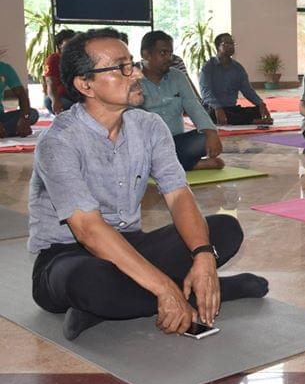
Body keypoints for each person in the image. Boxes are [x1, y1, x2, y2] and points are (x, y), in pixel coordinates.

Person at [28, 28, 268, 340]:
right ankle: (216, 290)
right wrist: (165, 289)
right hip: (67, 257)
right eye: (122, 68)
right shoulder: (58, 141)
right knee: (90, 281)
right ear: (85, 84)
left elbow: (178, 195)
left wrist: (204, 255)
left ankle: (107, 308)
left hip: (131, 245)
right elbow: (88, 231)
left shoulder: (149, 126)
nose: (137, 74)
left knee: (225, 229)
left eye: (133, 64)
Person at [139, 30, 224, 171]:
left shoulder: (177, 76)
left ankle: (161, 166)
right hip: (147, 144)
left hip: (176, 141)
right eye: (163, 53)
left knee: (204, 139)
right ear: (146, 55)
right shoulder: (132, 79)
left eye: (170, 53)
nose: (169, 58)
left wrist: (211, 133)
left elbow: (193, 106)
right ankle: (191, 164)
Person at [199, 33, 273, 126]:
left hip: (231, 109)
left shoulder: (238, 68)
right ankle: (252, 121)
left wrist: (261, 104)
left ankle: (244, 120)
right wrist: (217, 108)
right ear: (218, 47)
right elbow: (206, 92)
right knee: (211, 115)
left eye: (232, 43)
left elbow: (247, 90)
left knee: (257, 111)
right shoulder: (208, 67)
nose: (231, 46)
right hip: (212, 108)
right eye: (227, 43)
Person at [0, 57, 39, 138]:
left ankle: (6, 130)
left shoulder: (4, 68)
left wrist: (24, 118)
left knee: (32, 114)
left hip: (2, 117)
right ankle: (9, 130)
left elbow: (21, 94)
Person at [43, 29, 77, 114]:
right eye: (69, 43)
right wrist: (55, 100)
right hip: (62, 97)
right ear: (60, 45)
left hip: (79, 96)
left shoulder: (80, 58)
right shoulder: (53, 59)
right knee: (49, 101)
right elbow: (50, 82)